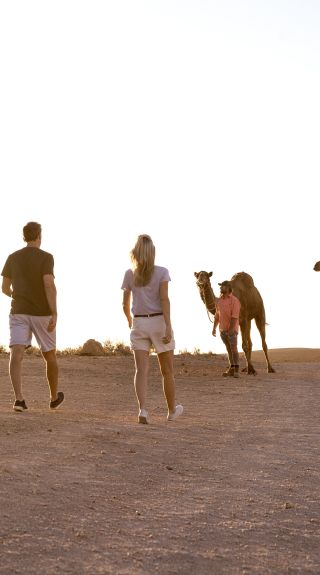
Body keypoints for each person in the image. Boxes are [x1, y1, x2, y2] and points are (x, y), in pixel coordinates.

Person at [1, 221, 64, 411]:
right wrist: (54, 311)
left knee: (16, 353)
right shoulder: (46, 258)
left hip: (19, 311)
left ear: (24, 236)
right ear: (39, 236)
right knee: (49, 355)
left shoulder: (13, 257)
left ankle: (19, 399)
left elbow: (4, 288)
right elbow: (49, 285)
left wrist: (19, 296)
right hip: (42, 313)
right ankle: (53, 398)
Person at [121, 234, 183, 424]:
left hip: (139, 323)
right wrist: (168, 325)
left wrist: (130, 320)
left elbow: (124, 304)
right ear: (152, 252)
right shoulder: (162, 272)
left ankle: (143, 410)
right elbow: (164, 300)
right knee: (167, 371)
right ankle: (171, 411)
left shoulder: (130, 274)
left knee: (141, 370)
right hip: (158, 322)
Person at [212, 280, 241, 378]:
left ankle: (236, 369)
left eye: (222, 286)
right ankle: (231, 368)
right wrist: (214, 328)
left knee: (234, 348)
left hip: (232, 330)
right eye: (220, 287)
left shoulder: (234, 301)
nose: (220, 288)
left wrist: (232, 329)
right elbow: (217, 315)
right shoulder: (219, 301)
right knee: (228, 349)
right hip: (222, 330)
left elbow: (235, 316)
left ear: (228, 287)